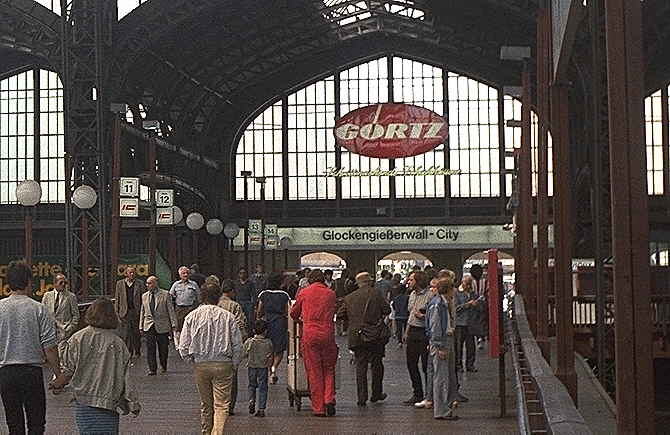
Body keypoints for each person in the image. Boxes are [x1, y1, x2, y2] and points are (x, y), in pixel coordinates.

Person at [51, 298, 141, 433]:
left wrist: (57, 383)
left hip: (84, 400)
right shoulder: (118, 344)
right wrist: (133, 403)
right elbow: (126, 377)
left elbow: (69, 369)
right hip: (108, 403)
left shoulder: (77, 338)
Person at [0, 261, 61, 435]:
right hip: (31, 372)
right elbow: (49, 346)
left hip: (6, 373)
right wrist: (58, 375)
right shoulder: (39, 309)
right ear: (28, 281)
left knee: (14, 425)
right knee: (36, 424)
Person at [179, 283, 243, 434]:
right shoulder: (228, 316)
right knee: (221, 406)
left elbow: (183, 346)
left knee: (206, 405)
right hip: (224, 363)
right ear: (219, 297)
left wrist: (192, 361)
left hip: (201, 364)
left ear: (201, 296)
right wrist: (234, 364)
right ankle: (217, 432)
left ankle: (206, 431)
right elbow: (237, 345)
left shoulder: (192, 316)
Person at [338, 272, 390, 407]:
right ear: (369, 282)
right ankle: (376, 393)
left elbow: (340, 314)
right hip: (375, 335)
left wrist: (353, 320)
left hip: (357, 335)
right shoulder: (376, 294)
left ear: (358, 283)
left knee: (360, 366)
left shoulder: (349, 297)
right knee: (377, 364)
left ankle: (362, 397)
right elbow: (387, 310)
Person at [290, 270, 338, 417]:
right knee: (329, 368)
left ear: (310, 280)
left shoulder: (304, 293)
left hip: (310, 334)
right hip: (328, 333)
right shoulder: (331, 293)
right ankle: (329, 398)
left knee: (314, 371)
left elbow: (293, 314)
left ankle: (318, 407)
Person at [427, 279, 460, 420]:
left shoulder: (441, 303)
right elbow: (435, 325)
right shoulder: (438, 305)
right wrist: (438, 345)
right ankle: (441, 410)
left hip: (445, 339)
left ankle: (445, 407)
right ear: (448, 290)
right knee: (441, 377)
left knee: (445, 375)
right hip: (442, 341)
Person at [218, 279, 249, 416]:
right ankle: (229, 406)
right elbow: (241, 325)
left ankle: (217, 404)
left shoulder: (214, 305)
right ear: (231, 291)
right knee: (231, 378)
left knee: (216, 379)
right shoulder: (234, 306)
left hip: (214, 347)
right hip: (230, 346)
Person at [403, 270, 432, 405]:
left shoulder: (430, 295)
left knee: (426, 365)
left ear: (418, 281)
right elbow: (411, 313)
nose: (408, 282)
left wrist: (423, 317)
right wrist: (407, 331)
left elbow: (434, 316)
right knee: (411, 363)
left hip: (424, 331)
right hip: (413, 330)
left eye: (411, 280)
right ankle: (417, 392)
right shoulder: (412, 295)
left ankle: (429, 393)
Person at [256, 272, 291, 384]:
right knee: (279, 349)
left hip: (267, 322)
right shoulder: (284, 295)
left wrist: (259, 319)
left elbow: (259, 310)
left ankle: (269, 370)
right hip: (280, 323)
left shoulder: (264, 294)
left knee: (268, 348)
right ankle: (274, 369)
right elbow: (287, 311)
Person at [139, 276, 177, 375]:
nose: (148, 285)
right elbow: (142, 311)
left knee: (163, 348)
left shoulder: (165, 294)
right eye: (147, 283)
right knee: (150, 348)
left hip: (162, 325)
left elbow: (170, 310)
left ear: (156, 283)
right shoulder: (144, 296)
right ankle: (152, 369)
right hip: (149, 325)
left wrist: (173, 324)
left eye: (150, 283)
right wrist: (141, 326)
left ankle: (163, 365)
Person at [42, 273, 79, 360]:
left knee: (62, 358)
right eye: (61, 283)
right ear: (54, 284)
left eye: (65, 283)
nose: (63, 285)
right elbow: (43, 313)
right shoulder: (47, 296)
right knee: (50, 359)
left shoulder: (71, 297)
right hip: (50, 333)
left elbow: (76, 315)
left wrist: (70, 328)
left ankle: (59, 373)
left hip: (64, 333)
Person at [114, 266, 145, 360]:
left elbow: (143, 298)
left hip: (136, 311)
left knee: (136, 333)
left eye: (133, 272)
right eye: (130, 272)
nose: (132, 274)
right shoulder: (119, 284)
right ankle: (129, 351)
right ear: (126, 274)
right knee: (126, 333)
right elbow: (117, 298)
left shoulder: (139, 283)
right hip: (125, 312)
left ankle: (137, 350)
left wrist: (143, 312)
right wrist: (117, 312)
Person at [244, 320, 273, 418]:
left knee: (251, 385)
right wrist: (271, 367)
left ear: (253, 330)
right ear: (266, 331)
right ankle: (261, 409)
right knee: (263, 387)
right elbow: (270, 355)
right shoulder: (268, 342)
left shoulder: (249, 342)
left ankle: (251, 400)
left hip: (251, 366)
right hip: (263, 367)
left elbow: (244, 352)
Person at [170, 266, 201, 343]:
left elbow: (199, 297)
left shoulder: (194, 284)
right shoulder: (176, 285)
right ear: (180, 275)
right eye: (183, 273)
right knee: (179, 328)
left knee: (191, 327)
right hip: (179, 309)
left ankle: (190, 343)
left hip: (190, 309)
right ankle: (179, 344)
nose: (185, 275)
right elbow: (170, 296)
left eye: (187, 273)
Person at [455, 275, 478, 372]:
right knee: (458, 346)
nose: (466, 285)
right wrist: (467, 304)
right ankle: (458, 365)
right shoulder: (457, 293)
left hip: (470, 322)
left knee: (471, 346)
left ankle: (470, 364)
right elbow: (456, 308)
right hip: (460, 323)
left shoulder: (472, 293)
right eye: (465, 283)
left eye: (468, 284)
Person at [234, 267, 256, 336]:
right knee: (238, 319)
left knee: (249, 320)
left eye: (244, 273)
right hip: (238, 302)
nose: (242, 275)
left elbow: (253, 294)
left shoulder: (250, 283)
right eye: (241, 273)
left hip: (247, 303)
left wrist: (253, 304)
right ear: (238, 274)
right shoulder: (236, 283)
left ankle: (249, 334)